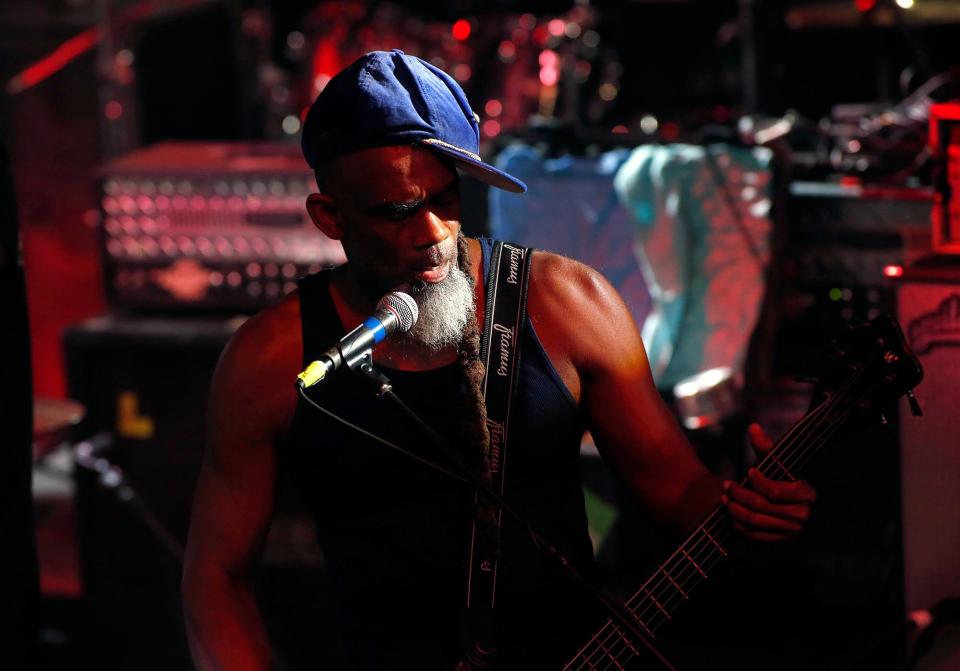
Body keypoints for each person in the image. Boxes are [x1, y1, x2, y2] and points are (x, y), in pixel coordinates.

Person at [182, 50, 816, 670]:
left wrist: (749, 507)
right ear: (330, 217)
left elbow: (678, 493)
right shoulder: (271, 361)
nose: (433, 232)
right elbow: (217, 576)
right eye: (398, 211)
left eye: (448, 198)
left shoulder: (569, 304)